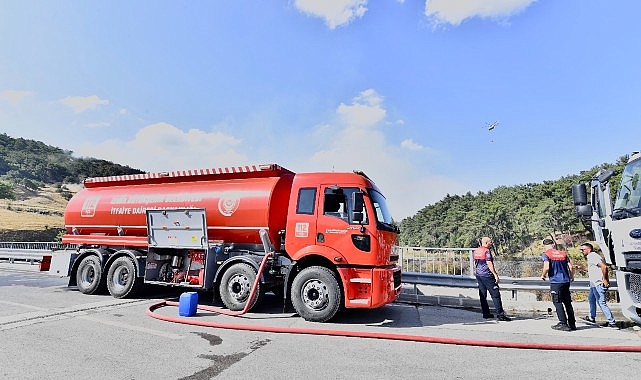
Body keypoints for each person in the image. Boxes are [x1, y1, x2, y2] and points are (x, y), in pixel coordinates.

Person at [540, 238, 576, 331]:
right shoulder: (563, 253)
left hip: (556, 282)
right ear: (553, 245)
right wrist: (571, 277)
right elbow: (571, 267)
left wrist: (543, 275)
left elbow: (546, 267)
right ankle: (572, 324)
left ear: (545, 246)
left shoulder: (546, 254)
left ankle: (563, 323)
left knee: (557, 302)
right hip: (566, 281)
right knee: (568, 303)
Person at [473, 237, 511, 321]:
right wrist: (495, 275)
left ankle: (486, 313)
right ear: (486, 243)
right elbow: (489, 263)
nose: (492, 243)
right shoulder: (487, 251)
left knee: (483, 295)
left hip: (479, 275)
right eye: (490, 242)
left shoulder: (476, 251)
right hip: (487, 275)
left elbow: (476, 263)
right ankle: (500, 315)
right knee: (496, 295)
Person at [580, 242, 618, 328]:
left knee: (601, 303)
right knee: (591, 299)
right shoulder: (591, 257)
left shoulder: (593, 256)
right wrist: (581, 268)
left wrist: (605, 279)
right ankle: (591, 318)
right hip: (594, 284)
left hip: (598, 283)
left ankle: (612, 322)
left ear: (589, 249)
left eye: (583, 249)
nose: (581, 251)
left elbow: (604, 267)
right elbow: (592, 269)